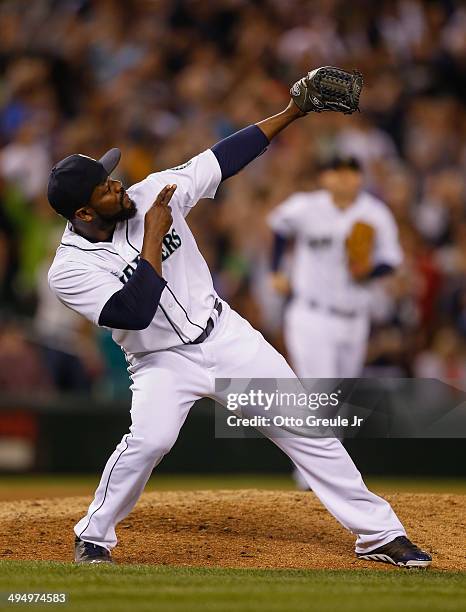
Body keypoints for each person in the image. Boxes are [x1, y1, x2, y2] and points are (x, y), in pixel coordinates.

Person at [47, 67, 431, 568]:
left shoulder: (152, 193)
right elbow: (134, 313)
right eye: (103, 187)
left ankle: (379, 535)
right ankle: (94, 535)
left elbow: (222, 159)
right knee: (149, 440)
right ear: (82, 214)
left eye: (110, 176)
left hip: (225, 336)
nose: (117, 184)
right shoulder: (69, 269)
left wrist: (294, 111)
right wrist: (151, 243)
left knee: (306, 427)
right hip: (160, 361)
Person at [268, 156, 403, 490]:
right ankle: (312, 477)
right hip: (310, 314)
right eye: (337, 173)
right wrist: (276, 270)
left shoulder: (375, 213)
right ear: (324, 178)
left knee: (338, 398)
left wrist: (369, 271)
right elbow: (278, 227)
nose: (345, 180)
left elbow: (392, 261)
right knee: (320, 391)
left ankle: (327, 473)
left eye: (351, 173)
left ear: (359, 178)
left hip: (354, 320)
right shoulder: (304, 207)